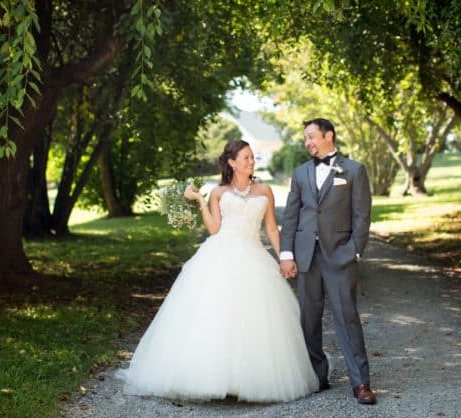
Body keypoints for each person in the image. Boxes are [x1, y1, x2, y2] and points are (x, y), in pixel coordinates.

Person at [116, 140, 318, 402]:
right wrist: (200, 200)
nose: (251, 161)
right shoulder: (219, 193)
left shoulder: (265, 190)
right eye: (245, 157)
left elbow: (270, 229)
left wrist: (283, 258)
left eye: (252, 157)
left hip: (253, 255)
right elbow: (214, 228)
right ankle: (214, 378)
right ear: (232, 162)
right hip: (220, 254)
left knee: (253, 318)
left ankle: (246, 379)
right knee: (216, 315)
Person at [279, 118, 376, 404]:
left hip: (339, 255)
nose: (307, 142)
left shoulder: (354, 170)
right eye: (305, 138)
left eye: (311, 136)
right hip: (306, 255)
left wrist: (354, 250)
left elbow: (362, 215)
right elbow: (291, 216)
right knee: (309, 318)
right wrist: (287, 254)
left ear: (328, 135)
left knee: (347, 317)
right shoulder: (299, 173)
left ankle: (361, 383)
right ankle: (316, 375)